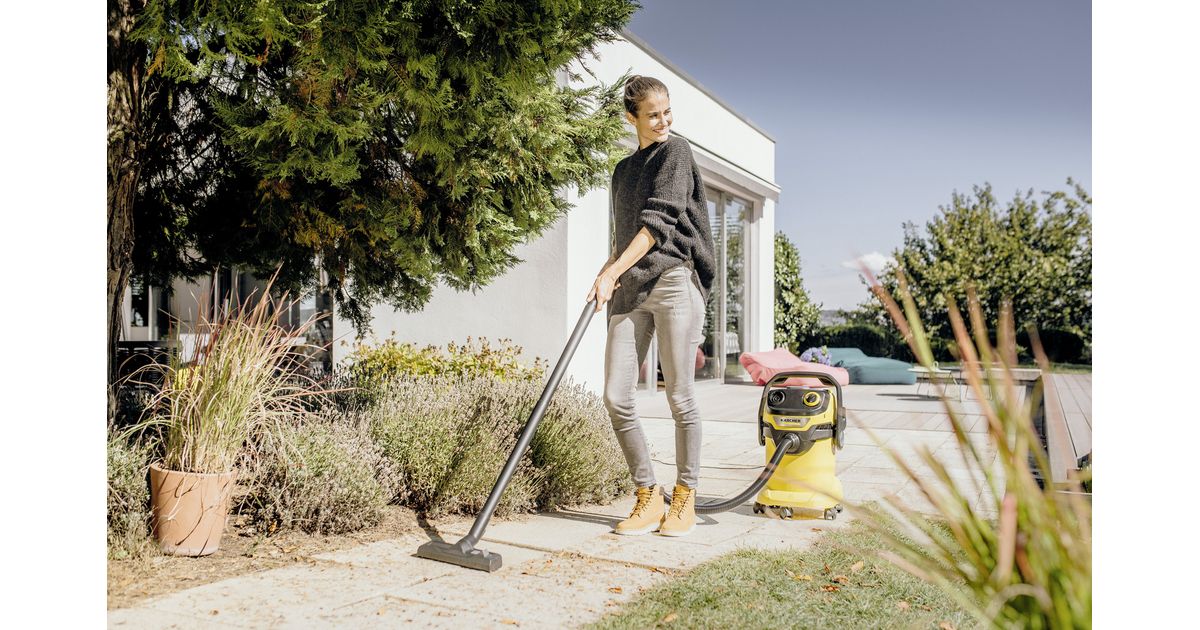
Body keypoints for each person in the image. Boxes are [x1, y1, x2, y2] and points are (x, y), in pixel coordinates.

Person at [587, 75, 716, 537]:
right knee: (616, 396)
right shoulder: (622, 171)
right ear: (632, 118)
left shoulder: (675, 152)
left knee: (679, 395)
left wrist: (612, 272)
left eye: (667, 112)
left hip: (674, 280)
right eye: (653, 115)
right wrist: (607, 271)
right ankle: (648, 495)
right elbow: (627, 234)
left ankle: (685, 497)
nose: (663, 121)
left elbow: (657, 225)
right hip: (632, 288)